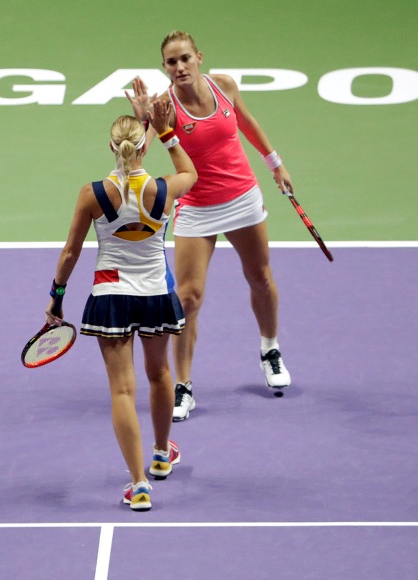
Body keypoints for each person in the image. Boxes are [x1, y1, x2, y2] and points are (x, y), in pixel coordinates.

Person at [126, 31, 294, 422]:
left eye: (185, 58)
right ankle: (183, 386)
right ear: (163, 68)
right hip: (197, 206)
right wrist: (141, 121)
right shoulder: (163, 105)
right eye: (171, 62)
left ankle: (270, 348)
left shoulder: (224, 87)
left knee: (260, 278)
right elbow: (139, 154)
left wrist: (276, 165)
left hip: (242, 198)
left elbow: (247, 123)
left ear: (199, 57)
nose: (180, 67)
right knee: (187, 299)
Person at [44, 98, 197, 511]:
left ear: (111, 147)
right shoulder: (163, 190)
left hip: (111, 297)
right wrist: (164, 129)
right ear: (143, 147)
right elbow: (191, 172)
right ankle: (162, 454)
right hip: (154, 296)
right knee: (160, 372)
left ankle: (139, 483)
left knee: (122, 390)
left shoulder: (92, 194)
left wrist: (57, 297)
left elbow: (70, 253)